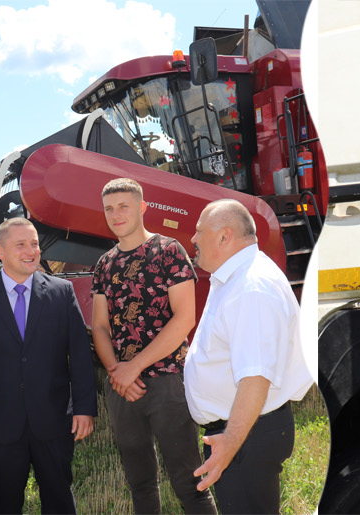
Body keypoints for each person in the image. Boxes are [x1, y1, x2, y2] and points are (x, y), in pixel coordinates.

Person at [90, 179, 216, 514]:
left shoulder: (168, 251)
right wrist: (118, 372)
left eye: (124, 206)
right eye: (109, 209)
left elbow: (184, 319)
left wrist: (134, 367)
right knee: (140, 483)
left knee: (190, 482)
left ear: (142, 207)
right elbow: (100, 326)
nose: (116, 215)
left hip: (167, 382)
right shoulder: (104, 264)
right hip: (122, 389)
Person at [0, 217, 97, 514]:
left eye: (34, 244)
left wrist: (84, 407)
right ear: (0, 251)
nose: (31, 251)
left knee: (59, 501)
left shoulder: (61, 291)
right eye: (21, 244)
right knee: (5, 505)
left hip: (54, 420)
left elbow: (80, 353)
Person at [184, 199, 313, 514]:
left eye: (200, 231)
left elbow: (256, 376)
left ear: (225, 237)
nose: (193, 239)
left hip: (245, 436)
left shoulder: (250, 287)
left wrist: (229, 442)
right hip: (245, 432)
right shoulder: (239, 276)